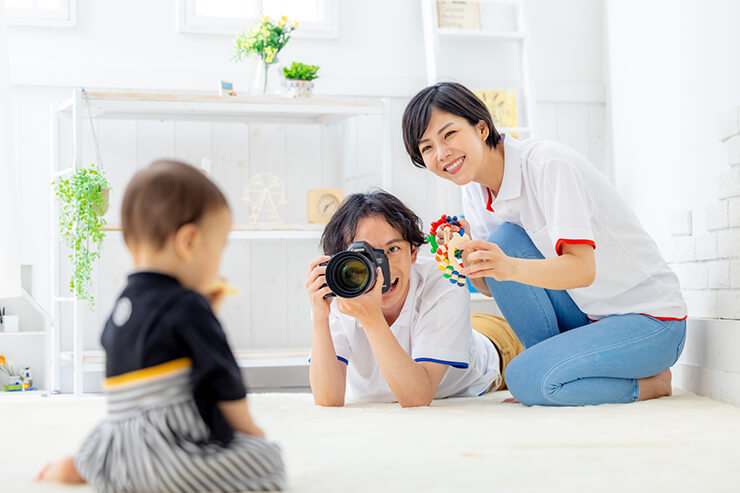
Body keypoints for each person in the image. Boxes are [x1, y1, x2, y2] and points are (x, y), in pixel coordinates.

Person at [401, 82, 687, 407]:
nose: (441, 154)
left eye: (449, 134)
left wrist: (506, 265)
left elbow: (582, 270)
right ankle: (546, 368)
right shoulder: (474, 189)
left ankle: (651, 384)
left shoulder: (548, 165)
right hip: (589, 315)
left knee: (524, 378)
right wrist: (467, 259)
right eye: (427, 148)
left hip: (652, 322)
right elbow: (493, 285)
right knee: (503, 240)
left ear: (481, 128)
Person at [37, 160, 285, 491]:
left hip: (115, 447)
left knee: (114, 426)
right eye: (220, 246)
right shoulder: (189, 307)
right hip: (165, 454)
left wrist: (202, 312)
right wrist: (248, 428)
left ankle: (84, 463)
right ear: (190, 242)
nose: (219, 260)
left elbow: (155, 349)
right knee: (267, 462)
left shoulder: (124, 305)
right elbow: (222, 378)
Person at [306, 190, 523, 407]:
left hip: (493, 345)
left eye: (392, 249)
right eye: (365, 255)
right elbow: (328, 398)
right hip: (434, 322)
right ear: (340, 260)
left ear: (413, 253)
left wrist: (371, 319)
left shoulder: (443, 281)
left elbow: (417, 397)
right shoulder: (342, 282)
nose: (383, 267)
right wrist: (319, 317)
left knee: (530, 363)